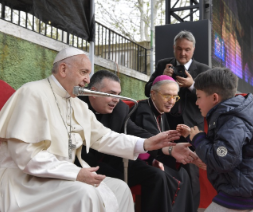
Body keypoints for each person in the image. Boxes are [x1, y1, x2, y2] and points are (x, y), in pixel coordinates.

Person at [0, 47, 181, 212]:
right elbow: (25, 155)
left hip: (56, 176)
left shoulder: (76, 104)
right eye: (84, 72)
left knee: (120, 188)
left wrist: (145, 143)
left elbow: (104, 137)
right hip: (21, 180)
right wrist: (75, 174)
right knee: (85, 192)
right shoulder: (32, 93)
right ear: (63, 69)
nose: (88, 80)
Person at [77, 70, 199, 212]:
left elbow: (136, 132)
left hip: (114, 160)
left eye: (118, 94)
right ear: (93, 92)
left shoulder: (120, 108)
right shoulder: (77, 106)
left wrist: (169, 148)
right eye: (111, 94)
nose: (116, 99)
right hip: (83, 162)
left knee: (157, 176)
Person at [183, 67, 253, 211]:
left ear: (214, 98)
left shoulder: (232, 120)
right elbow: (230, 156)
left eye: (199, 97)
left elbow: (223, 159)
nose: (196, 103)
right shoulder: (232, 116)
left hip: (244, 194)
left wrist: (198, 139)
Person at [144, 30, 210, 210]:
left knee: (191, 169)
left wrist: (192, 86)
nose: (183, 53)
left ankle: (191, 208)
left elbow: (211, 97)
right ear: (174, 48)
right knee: (164, 166)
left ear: (193, 49)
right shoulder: (162, 64)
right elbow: (147, 90)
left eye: (187, 50)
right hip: (165, 124)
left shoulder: (203, 70)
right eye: (179, 49)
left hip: (191, 128)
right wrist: (161, 77)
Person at [131, 75, 206, 212]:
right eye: (166, 96)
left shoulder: (161, 112)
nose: (171, 101)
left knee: (183, 173)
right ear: (153, 94)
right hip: (138, 160)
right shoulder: (143, 111)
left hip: (155, 157)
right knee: (168, 175)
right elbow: (150, 142)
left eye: (175, 97)